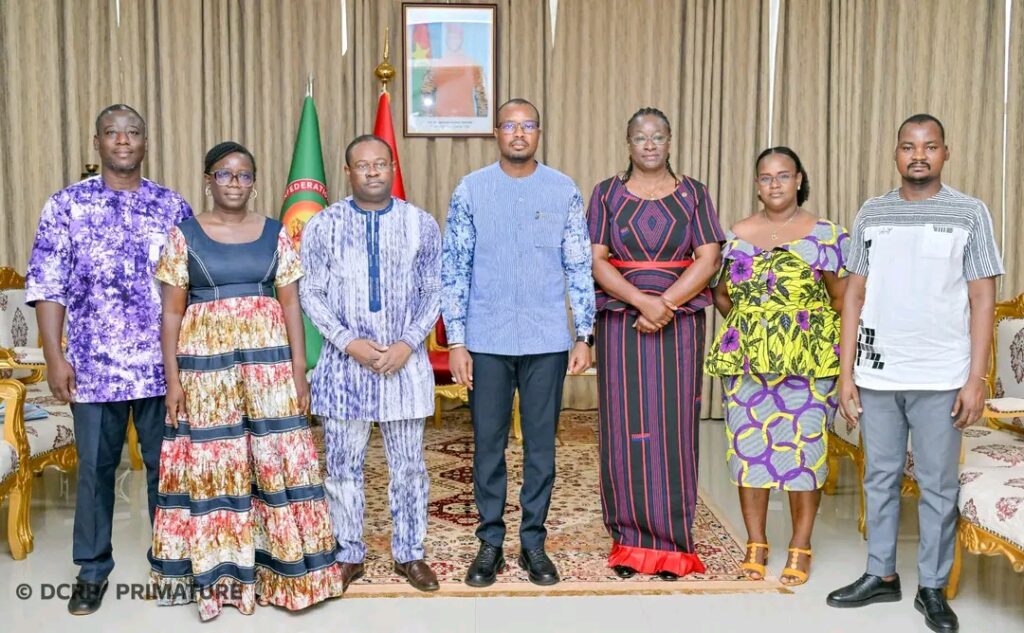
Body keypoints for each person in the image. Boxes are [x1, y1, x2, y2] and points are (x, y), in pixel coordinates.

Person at [148, 142, 344, 620]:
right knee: (217, 465)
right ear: (208, 180)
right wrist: (173, 381)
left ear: (254, 182)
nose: (234, 183)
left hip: (269, 367)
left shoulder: (276, 233)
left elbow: (292, 304)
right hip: (206, 371)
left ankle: (281, 572)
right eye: (224, 174)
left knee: (274, 460)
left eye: (243, 175)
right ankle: (220, 578)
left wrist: (299, 370)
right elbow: (171, 313)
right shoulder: (183, 236)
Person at [826, 114, 1003, 633]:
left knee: (937, 485)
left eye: (929, 146)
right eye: (909, 146)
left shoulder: (970, 213)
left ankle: (932, 587)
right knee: (879, 477)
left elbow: (982, 299)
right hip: (878, 372)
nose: (919, 155)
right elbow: (854, 295)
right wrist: (846, 373)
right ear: (896, 153)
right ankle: (881, 574)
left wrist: (976, 379)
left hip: (942, 374)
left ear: (945, 153)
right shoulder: (872, 213)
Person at [24, 104, 193, 616]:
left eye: (133, 132)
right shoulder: (66, 205)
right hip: (93, 368)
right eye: (112, 133)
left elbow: (192, 285)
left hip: (163, 368)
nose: (123, 140)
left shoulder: (171, 206)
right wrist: (54, 356)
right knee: (95, 470)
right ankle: (93, 569)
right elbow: (49, 285)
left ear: (145, 142)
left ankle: (170, 563)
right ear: (96, 142)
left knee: (168, 469)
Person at [441, 98, 595, 588]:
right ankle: (490, 542)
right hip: (486, 339)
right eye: (510, 125)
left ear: (539, 133)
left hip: (546, 339)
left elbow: (579, 265)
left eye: (528, 125)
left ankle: (533, 542)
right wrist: (457, 341)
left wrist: (584, 334)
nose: (519, 133)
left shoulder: (563, 189)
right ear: (496, 133)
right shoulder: (471, 189)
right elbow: (454, 268)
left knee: (540, 447)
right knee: (487, 445)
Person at [300, 134, 442, 594]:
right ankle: (348, 553)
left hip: (405, 366)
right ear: (348, 172)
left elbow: (434, 290)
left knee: (409, 466)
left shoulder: (420, 224)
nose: (373, 171)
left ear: (392, 167)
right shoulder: (323, 226)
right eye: (363, 165)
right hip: (345, 369)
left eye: (380, 163)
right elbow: (310, 292)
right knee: (342, 465)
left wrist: (407, 343)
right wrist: (348, 343)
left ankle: (410, 553)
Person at [588, 107, 724, 581]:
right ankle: (628, 540)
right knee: (623, 425)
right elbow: (596, 259)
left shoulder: (694, 194)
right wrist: (641, 302)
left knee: (673, 426)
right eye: (640, 137)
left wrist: (664, 303)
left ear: (670, 141)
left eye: (658, 136)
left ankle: (672, 544)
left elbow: (709, 257)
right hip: (621, 320)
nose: (649, 144)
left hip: (679, 321)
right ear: (628, 143)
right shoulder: (606, 194)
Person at [705, 146, 848, 586]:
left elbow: (842, 299)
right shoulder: (736, 236)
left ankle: (801, 544)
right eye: (766, 177)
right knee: (749, 451)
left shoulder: (827, 235)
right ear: (757, 185)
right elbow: (722, 295)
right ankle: (756, 542)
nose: (775, 184)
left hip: (809, 363)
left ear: (799, 180)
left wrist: (803, 335)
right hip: (748, 362)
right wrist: (757, 329)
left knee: (806, 452)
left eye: (783, 175)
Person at [419, 23, 488, 117]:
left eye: (456, 38)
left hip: (467, 122)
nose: (453, 41)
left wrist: (482, 122)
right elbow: (426, 94)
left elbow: (482, 97)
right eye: (451, 38)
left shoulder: (473, 65)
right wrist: (428, 120)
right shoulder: (436, 66)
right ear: (447, 40)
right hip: (441, 122)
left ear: (461, 40)